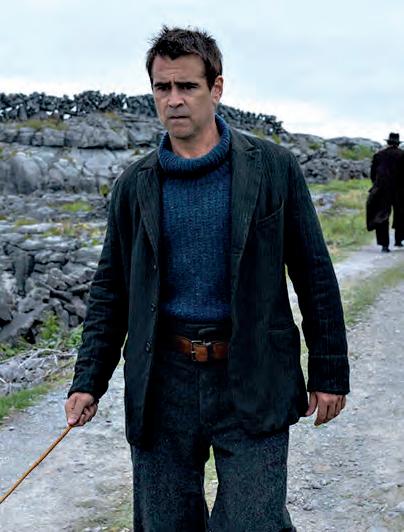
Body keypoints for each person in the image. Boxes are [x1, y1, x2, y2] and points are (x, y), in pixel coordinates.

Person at [65, 26, 349, 531]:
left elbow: (314, 273)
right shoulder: (133, 185)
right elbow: (111, 290)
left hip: (253, 371)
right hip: (163, 382)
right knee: (163, 523)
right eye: (162, 87)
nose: (174, 100)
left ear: (216, 88)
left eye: (187, 86)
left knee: (253, 522)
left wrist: (329, 372)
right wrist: (89, 380)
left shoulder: (274, 168)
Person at [367, 132, 404, 251]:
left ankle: (384, 245)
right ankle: (399, 240)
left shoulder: (379, 155)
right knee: (401, 214)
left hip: (383, 189)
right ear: (398, 143)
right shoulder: (402, 155)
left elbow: (373, 174)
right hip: (400, 189)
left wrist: (377, 185)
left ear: (388, 142)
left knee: (382, 215)